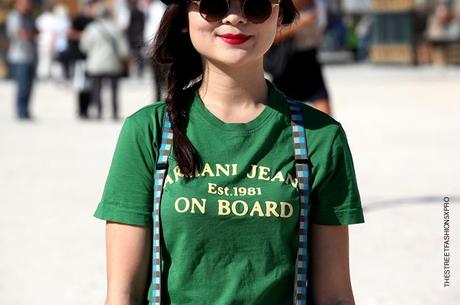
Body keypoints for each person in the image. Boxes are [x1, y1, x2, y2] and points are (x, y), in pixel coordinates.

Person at [93, 0, 365, 305]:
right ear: (184, 17)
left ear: (279, 18)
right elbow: (122, 294)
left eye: (256, 6)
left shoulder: (320, 137)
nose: (234, 17)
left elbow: (335, 295)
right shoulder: (148, 131)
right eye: (213, 4)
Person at [271, 0, 332, 115]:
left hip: (310, 60)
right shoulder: (283, 6)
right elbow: (271, 37)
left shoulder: (319, 5)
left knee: (326, 117)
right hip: (287, 65)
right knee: (282, 115)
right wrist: (298, 24)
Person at [80, 5, 129, 120]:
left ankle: (98, 111)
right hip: (113, 63)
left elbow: (84, 47)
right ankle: (114, 112)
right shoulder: (116, 28)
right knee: (114, 89)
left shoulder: (91, 28)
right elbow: (124, 50)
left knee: (96, 89)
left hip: (96, 63)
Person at [6, 0, 37, 120]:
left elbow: (35, 32)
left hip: (30, 56)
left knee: (30, 86)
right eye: (24, 4)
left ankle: (26, 111)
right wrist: (30, 35)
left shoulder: (29, 18)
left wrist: (31, 35)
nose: (27, 6)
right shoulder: (14, 17)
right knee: (22, 86)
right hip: (19, 57)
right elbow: (21, 33)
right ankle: (21, 111)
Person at [67, 0, 95, 119]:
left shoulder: (94, 21)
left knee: (90, 86)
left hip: (91, 57)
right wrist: (82, 36)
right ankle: (81, 110)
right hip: (79, 57)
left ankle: (87, 109)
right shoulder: (77, 19)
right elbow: (69, 32)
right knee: (80, 85)